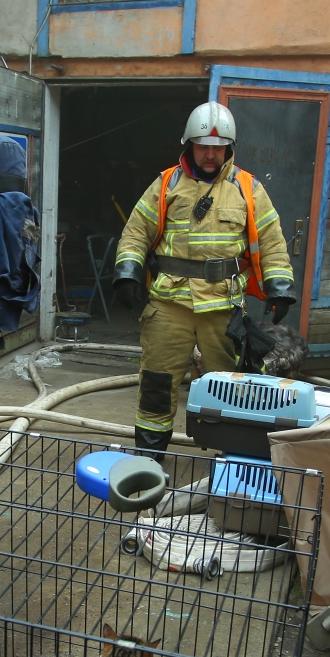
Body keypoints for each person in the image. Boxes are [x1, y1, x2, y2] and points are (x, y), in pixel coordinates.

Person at [112, 102, 296, 457]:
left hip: (223, 308)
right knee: (156, 384)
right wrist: (127, 272)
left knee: (231, 387)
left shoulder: (248, 188)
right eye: (202, 145)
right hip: (169, 305)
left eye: (218, 146)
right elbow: (136, 231)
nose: (210, 154)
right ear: (189, 145)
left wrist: (280, 287)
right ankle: (149, 459)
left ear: (229, 147)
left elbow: (272, 240)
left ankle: (234, 458)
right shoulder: (167, 184)